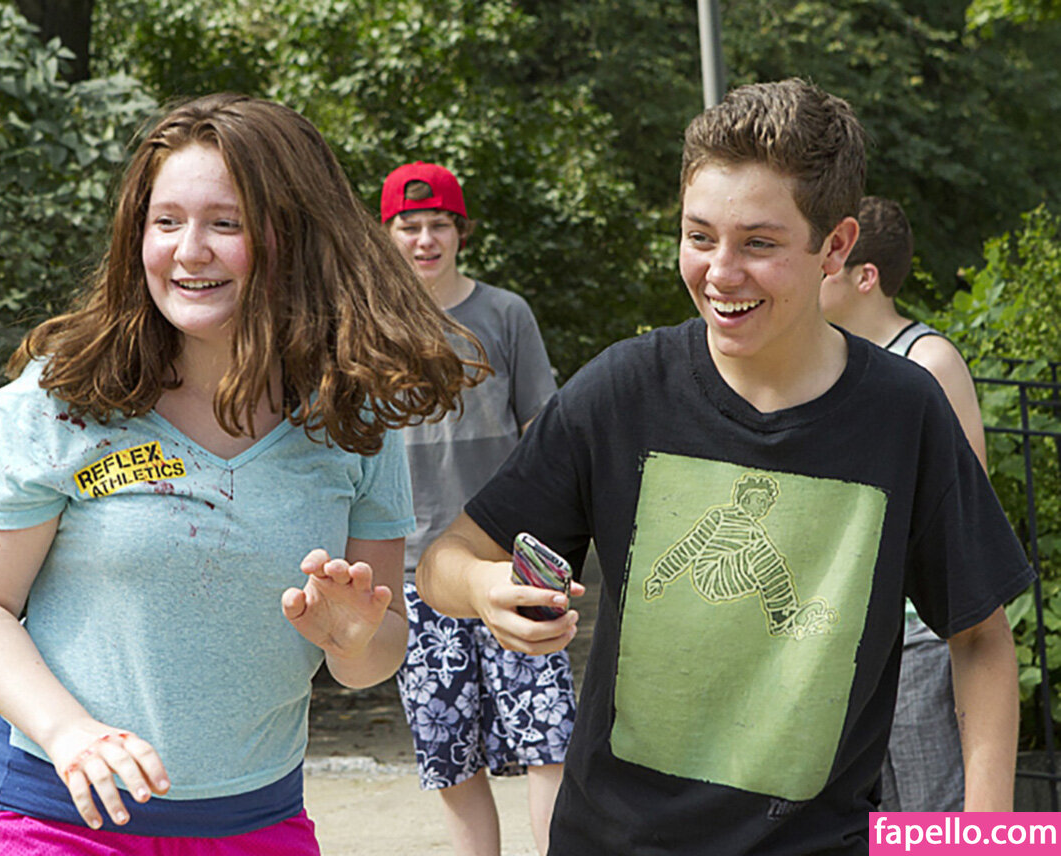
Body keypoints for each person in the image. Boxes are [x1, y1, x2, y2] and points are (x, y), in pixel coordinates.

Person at [416, 79, 1032, 854]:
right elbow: (444, 560)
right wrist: (484, 587)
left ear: (836, 247)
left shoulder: (904, 413)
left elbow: (980, 638)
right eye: (699, 236)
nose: (720, 272)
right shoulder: (621, 389)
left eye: (759, 244)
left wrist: (988, 836)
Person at [0, 93, 486, 854]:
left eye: (226, 224)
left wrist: (353, 640)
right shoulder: (60, 398)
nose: (189, 251)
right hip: (56, 819)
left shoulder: (351, 418)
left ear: (294, 237)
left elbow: (376, 653)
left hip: (257, 823)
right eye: (165, 222)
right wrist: (69, 734)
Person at [380, 162, 576, 856]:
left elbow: (545, 435)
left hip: (512, 564)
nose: (425, 240)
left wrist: (553, 545)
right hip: (411, 573)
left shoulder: (505, 314)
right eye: (409, 226)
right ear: (388, 235)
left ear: (460, 233)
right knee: (451, 761)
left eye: (438, 225)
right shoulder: (369, 325)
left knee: (549, 742)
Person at [820, 195, 987, 812]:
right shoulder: (832, 361)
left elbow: (967, 510)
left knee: (927, 814)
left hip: (917, 634)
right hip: (846, 633)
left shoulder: (929, 361)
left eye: (831, 264)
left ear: (866, 276)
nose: (816, 273)